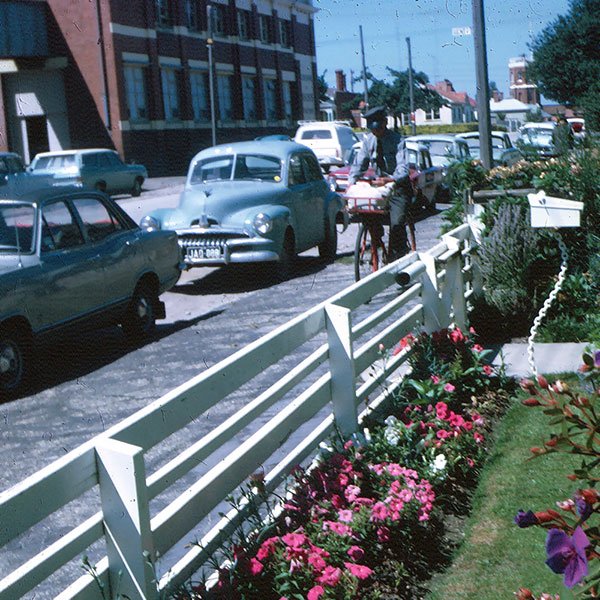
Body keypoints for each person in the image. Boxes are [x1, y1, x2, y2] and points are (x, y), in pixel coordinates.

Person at [348, 106, 412, 260]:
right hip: (379, 188)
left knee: (396, 223)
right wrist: (351, 183)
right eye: (373, 129)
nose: (377, 132)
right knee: (366, 213)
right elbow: (359, 165)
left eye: (379, 128)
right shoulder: (368, 141)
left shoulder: (397, 140)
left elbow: (403, 168)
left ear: (385, 123)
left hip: (398, 188)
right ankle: (376, 241)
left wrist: (391, 179)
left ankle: (398, 253)